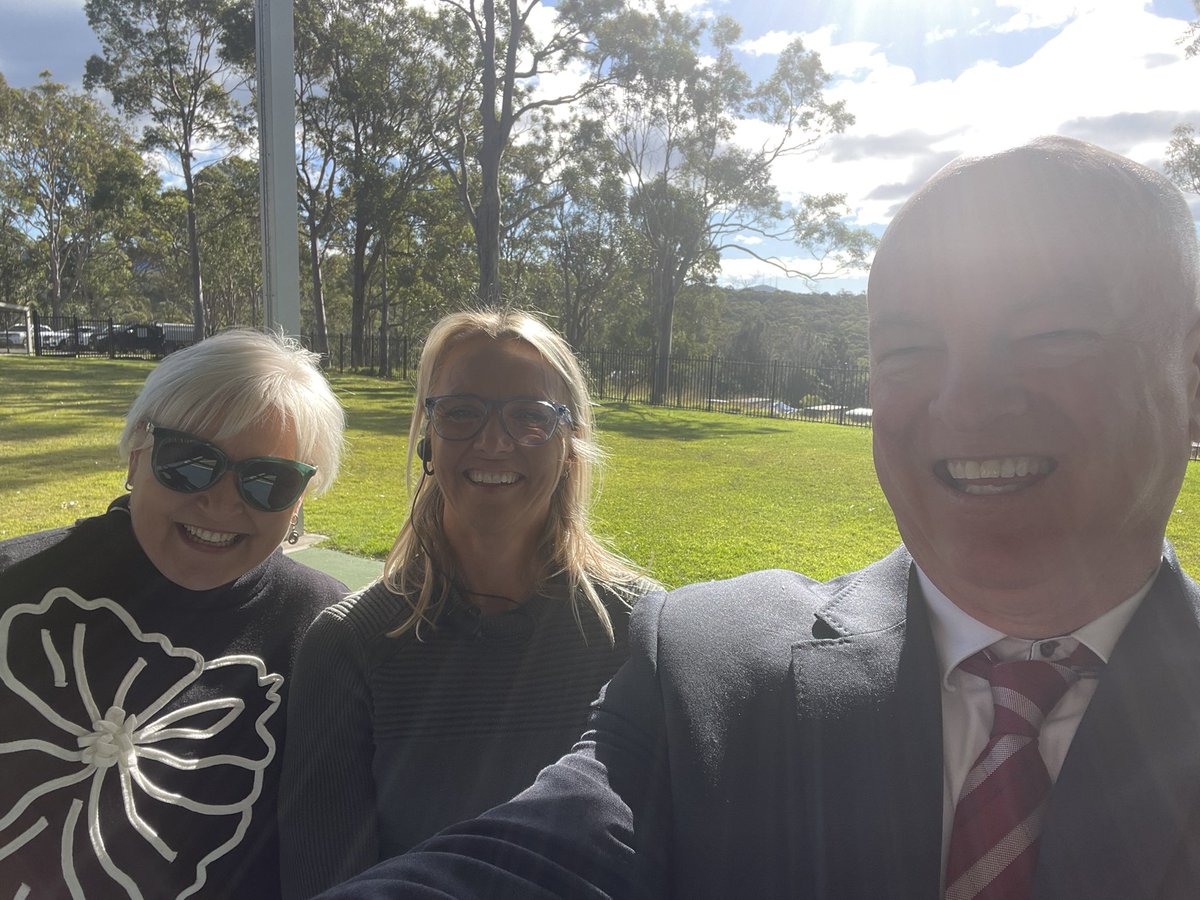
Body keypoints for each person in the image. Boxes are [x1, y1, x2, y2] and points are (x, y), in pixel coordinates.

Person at [312, 136, 1200, 900]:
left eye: (1052, 335)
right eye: (909, 349)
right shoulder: (705, 665)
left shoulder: (622, 613)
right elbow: (521, 862)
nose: (965, 405)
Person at [278, 309, 651, 898]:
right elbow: (324, 876)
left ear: (571, 443)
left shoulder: (640, 633)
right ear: (428, 435)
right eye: (461, 413)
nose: (494, 441)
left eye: (530, 417)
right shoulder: (349, 644)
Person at [0, 328, 347, 899]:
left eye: (270, 480)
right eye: (191, 462)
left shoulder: (325, 629)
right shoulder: (13, 586)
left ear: (301, 498)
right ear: (136, 455)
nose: (224, 501)